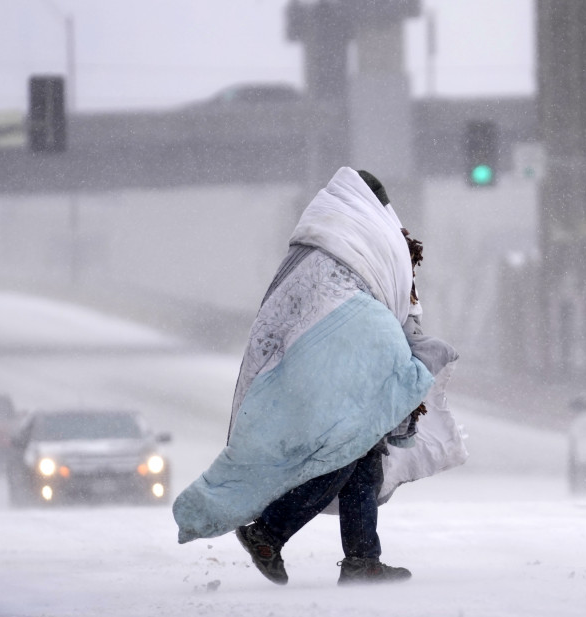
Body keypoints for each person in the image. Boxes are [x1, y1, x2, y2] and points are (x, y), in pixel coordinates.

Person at [173, 167, 459, 585]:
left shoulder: (318, 241)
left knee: (361, 453)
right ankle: (269, 532)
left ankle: (362, 558)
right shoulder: (370, 238)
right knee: (345, 449)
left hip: (311, 360)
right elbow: (388, 299)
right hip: (339, 360)